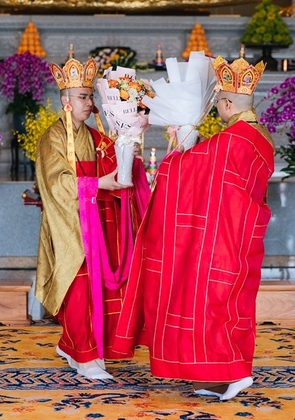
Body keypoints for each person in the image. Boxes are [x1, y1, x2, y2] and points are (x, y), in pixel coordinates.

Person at [112, 56, 274, 400]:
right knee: (232, 303)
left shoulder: (232, 140)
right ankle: (218, 375)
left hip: (220, 239)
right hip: (242, 232)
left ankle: (231, 373)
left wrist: (179, 148)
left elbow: (183, 169)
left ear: (227, 104)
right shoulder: (259, 137)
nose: (218, 110)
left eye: (219, 105)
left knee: (210, 305)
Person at [35, 57, 149, 380]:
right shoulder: (52, 138)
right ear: (65, 100)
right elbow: (57, 184)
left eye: (90, 96)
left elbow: (117, 171)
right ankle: (85, 357)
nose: (88, 103)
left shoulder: (95, 137)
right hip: (69, 224)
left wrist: (129, 155)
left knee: (98, 288)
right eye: (82, 97)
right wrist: (98, 184)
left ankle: (74, 346)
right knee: (79, 284)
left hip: (97, 225)